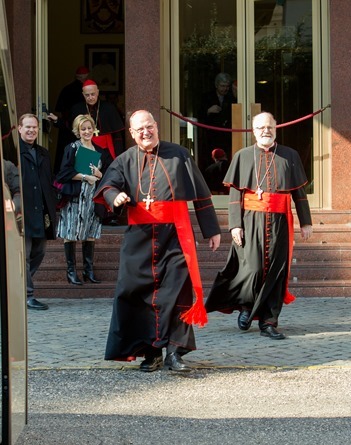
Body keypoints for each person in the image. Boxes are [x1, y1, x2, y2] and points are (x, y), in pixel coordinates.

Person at [94, 109, 221, 372]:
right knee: (136, 292)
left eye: (149, 126)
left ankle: (175, 352)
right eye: (139, 129)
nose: (145, 132)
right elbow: (108, 186)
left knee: (176, 291)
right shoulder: (125, 159)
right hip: (138, 238)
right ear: (131, 133)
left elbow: (200, 193)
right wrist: (115, 197)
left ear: (156, 126)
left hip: (174, 235)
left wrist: (212, 230)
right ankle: (151, 352)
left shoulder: (178, 154)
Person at [205, 112, 313, 340]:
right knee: (251, 269)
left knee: (276, 271)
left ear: (276, 129)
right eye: (261, 127)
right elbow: (235, 194)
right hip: (250, 220)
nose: (266, 131)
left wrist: (306, 221)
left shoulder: (289, 155)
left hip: (280, 220)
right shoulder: (243, 156)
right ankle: (246, 307)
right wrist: (235, 224)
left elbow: (299, 194)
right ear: (254, 131)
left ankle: (269, 321)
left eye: (270, 127)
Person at [55, 114, 113, 285]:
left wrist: (99, 174)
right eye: (83, 129)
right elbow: (63, 173)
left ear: (93, 129)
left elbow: (110, 174)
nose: (87, 131)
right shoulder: (72, 148)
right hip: (75, 198)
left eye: (89, 128)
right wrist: (85, 177)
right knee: (71, 233)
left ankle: (88, 271)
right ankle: (71, 271)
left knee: (90, 234)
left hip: (93, 199)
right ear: (77, 131)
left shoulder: (100, 151)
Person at [18, 113, 57, 310]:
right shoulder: (13, 152)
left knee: (39, 251)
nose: (32, 130)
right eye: (28, 127)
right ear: (19, 129)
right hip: (21, 211)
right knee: (23, 255)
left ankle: (17, 287)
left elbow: (47, 182)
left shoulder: (43, 152)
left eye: (34, 127)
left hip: (41, 211)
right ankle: (27, 294)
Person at [48, 79, 124, 161]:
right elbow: (69, 126)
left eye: (93, 94)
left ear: (98, 92)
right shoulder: (77, 108)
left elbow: (117, 137)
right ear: (83, 95)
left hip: (106, 150)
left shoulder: (109, 108)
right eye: (87, 95)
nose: (90, 97)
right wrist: (57, 120)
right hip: (85, 148)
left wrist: (118, 157)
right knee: (87, 172)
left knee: (106, 172)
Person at [49, 66, 90, 174]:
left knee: (66, 161)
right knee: (83, 169)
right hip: (72, 130)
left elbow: (60, 110)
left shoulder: (66, 89)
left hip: (67, 129)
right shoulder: (77, 92)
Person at [199, 72, 236, 169]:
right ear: (216, 85)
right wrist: (208, 111)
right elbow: (199, 115)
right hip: (211, 135)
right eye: (222, 86)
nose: (225, 89)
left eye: (227, 86)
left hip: (227, 135)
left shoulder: (231, 97)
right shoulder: (207, 97)